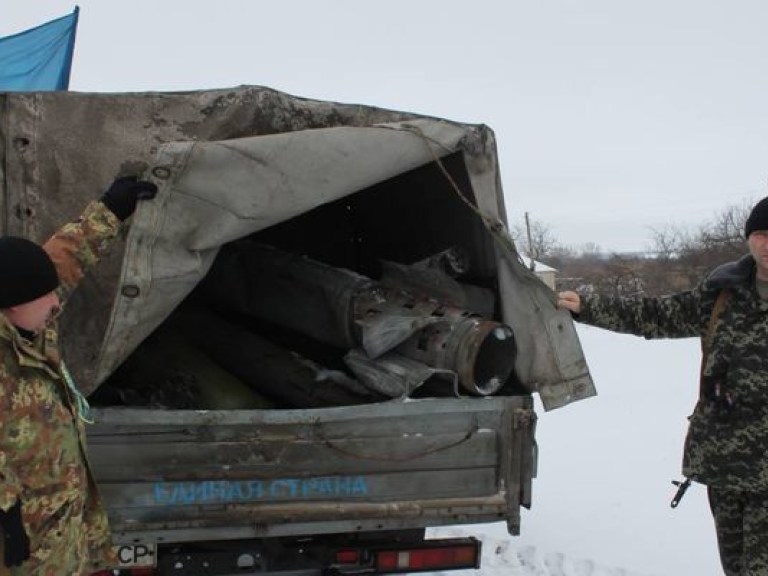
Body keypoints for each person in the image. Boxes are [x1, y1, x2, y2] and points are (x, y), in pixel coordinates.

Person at [557, 196, 768, 576]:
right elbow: (654, 315)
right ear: (749, 239)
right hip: (727, 462)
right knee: (737, 569)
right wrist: (587, 307)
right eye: (760, 234)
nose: (767, 244)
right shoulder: (723, 294)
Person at [0, 176, 157, 575]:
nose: (57, 303)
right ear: (10, 306)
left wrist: (110, 210)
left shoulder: (30, 324)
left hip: (61, 531)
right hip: (21, 541)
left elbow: (62, 262)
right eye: (46, 297)